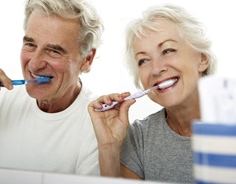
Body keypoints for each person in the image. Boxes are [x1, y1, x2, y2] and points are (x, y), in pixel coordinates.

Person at [88, 4, 217, 183]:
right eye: (143, 60)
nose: (156, 69)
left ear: (202, 59)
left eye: (168, 50)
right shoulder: (138, 137)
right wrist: (109, 148)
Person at [0, 0, 103, 175]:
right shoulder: (0, 100)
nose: (34, 64)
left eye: (54, 51)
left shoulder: (100, 127)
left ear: (87, 59)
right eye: (30, 45)